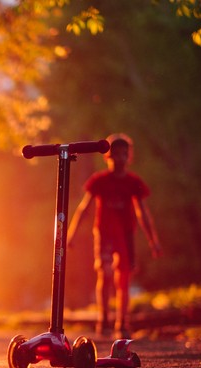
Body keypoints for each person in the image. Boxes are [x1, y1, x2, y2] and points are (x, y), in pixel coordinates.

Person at [66, 133, 161, 338]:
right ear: (108, 156)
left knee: (124, 278)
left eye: (124, 153)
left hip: (126, 235)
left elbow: (142, 213)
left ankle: (122, 322)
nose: (120, 158)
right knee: (105, 272)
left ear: (129, 156)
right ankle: (104, 319)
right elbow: (84, 209)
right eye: (116, 153)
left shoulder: (133, 182)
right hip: (104, 234)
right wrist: (71, 235)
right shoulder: (99, 181)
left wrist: (153, 241)